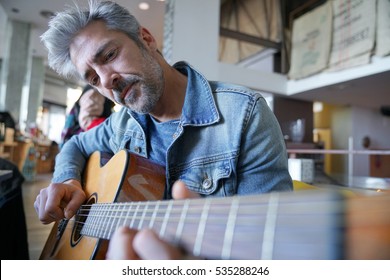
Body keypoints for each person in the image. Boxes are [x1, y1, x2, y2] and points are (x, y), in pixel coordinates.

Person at [35, 0, 293, 259]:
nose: (105, 81)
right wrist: (67, 180)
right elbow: (75, 145)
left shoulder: (244, 115)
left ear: (146, 39)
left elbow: (270, 250)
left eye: (110, 55)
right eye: (93, 78)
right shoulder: (121, 122)